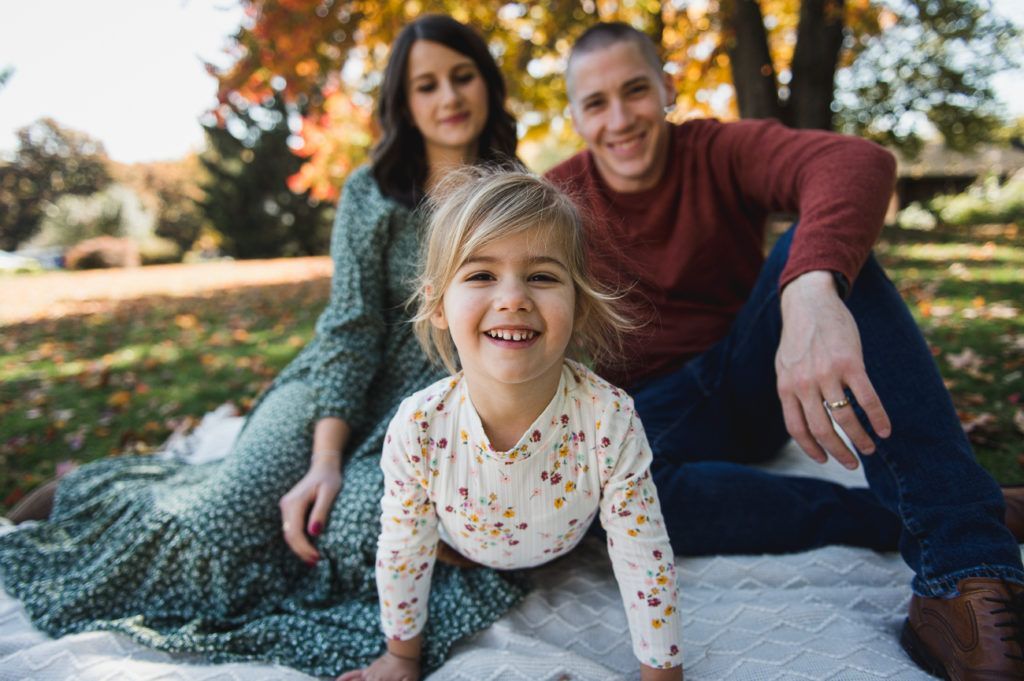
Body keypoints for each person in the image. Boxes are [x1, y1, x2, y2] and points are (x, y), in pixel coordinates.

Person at [0, 15, 527, 677]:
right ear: (404, 103)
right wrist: (325, 459)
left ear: (487, 81)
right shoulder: (374, 192)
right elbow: (351, 328)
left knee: (354, 527)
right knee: (211, 525)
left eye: (461, 76)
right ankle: (109, 491)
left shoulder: (512, 197)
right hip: (332, 387)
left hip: (428, 408)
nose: (448, 98)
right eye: (427, 85)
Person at [544, 21, 1024, 680]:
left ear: (668, 88)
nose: (620, 118)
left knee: (822, 250)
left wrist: (809, 291)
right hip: (648, 414)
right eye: (596, 103)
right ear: (575, 116)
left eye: (636, 90)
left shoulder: (714, 149)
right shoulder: (557, 198)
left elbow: (857, 161)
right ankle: (940, 505)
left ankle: (963, 569)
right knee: (613, 494)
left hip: (755, 372)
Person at [339, 168, 682, 681]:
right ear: (437, 304)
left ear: (579, 301)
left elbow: (644, 557)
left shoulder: (609, 419)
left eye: (542, 276)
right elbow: (403, 549)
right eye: (481, 275)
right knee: (361, 529)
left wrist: (663, 675)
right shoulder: (420, 427)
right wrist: (402, 656)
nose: (513, 298)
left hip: (564, 539)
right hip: (457, 548)